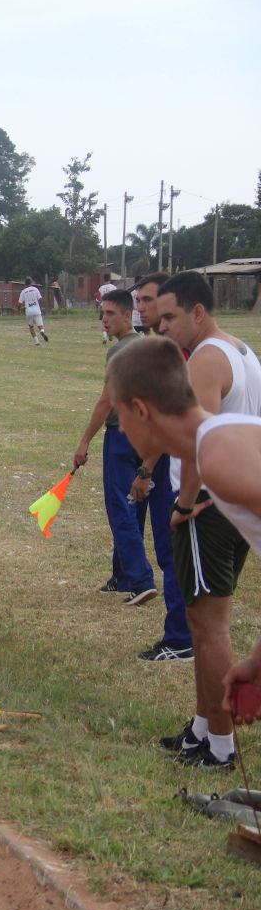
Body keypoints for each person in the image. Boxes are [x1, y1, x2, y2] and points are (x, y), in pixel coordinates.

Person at [107, 338, 261, 743]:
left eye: (121, 416)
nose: (121, 429)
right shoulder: (218, 446)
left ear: (141, 410)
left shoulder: (220, 459)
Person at [150, 270, 261, 769]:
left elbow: (201, 443)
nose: (163, 325)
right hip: (232, 505)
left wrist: (184, 503)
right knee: (201, 622)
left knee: (209, 625)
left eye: (170, 316)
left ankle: (220, 745)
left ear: (198, 312)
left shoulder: (206, 359)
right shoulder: (242, 350)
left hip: (207, 510)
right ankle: (201, 728)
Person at [71, 289, 159, 608]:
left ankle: (140, 580)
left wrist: (84, 442)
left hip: (122, 436)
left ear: (127, 315)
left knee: (120, 509)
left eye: (110, 314)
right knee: (134, 506)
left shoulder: (120, 351)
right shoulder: (149, 345)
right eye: (102, 314)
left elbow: (107, 399)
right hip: (148, 436)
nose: (104, 320)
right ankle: (121, 576)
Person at [126, 272, 192, 663]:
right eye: (138, 301)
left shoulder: (174, 351)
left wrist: (146, 470)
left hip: (175, 465)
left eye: (147, 300)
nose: (141, 308)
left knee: (172, 553)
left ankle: (180, 638)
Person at [17, 277, 48, 345]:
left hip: (29, 312)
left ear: (25, 284)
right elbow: (41, 299)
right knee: (40, 326)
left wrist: (18, 310)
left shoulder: (23, 291)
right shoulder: (35, 289)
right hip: (37, 310)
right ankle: (42, 331)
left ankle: (37, 342)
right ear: (31, 283)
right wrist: (41, 306)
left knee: (31, 327)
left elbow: (19, 303)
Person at [96, 279, 117, 343]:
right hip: (112, 307)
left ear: (104, 281)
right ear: (109, 280)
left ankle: (105, 337)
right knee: (112, 322)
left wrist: (96, 307)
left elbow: (98, 299)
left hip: (104, 307)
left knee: (104, 323)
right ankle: (111, 334)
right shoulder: (114, 287)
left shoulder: (101, 288)